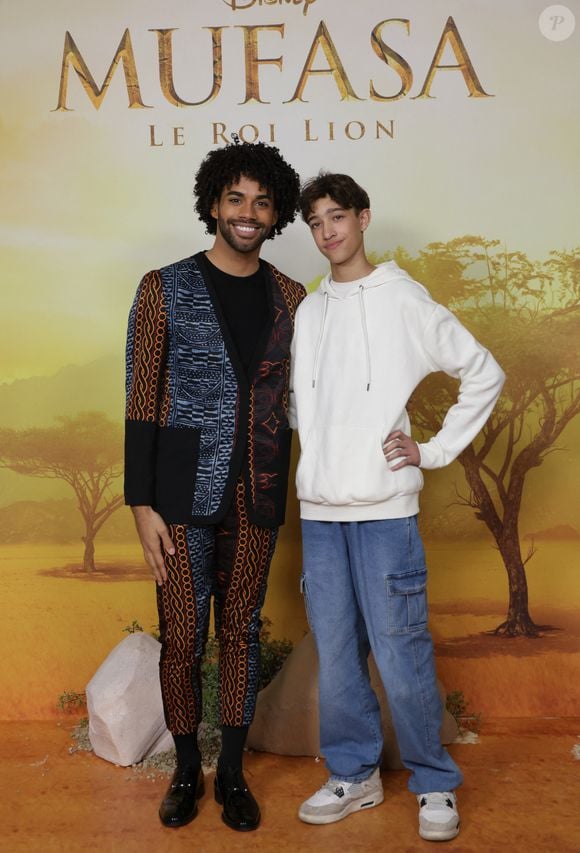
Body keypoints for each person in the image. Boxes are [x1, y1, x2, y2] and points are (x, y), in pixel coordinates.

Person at [289, 172, 505, 841]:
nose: (328, 231)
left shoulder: (403, 299)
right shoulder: (309, 310)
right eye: (316, 221)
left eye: (338, 217)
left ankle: (434, 782)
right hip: (320, 515)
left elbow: (483, 370)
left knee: (402, 651)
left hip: (384, 514)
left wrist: (431, 451)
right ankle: (354, 774)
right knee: (337, 655)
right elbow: (305, 402)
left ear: (363, 218)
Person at [124, 141, 305, 832]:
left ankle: (231, 771)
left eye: (262, 201)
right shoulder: (161, 287)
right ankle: (183, 767)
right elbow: (141, 398)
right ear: (212, 205)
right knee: (182, 634)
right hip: (176, 498)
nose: (248, 213)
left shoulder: (292, 297)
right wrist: (141, 502)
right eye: (236, 198)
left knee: (239, 631)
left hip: (256, 492)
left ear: (277, 212)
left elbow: (306, 395)